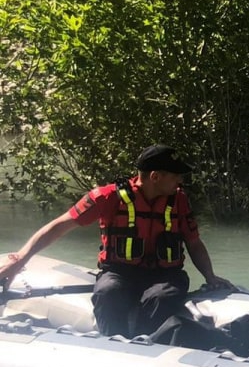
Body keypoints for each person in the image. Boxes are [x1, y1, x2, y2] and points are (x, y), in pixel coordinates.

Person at [0, 144, 233, 336]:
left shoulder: (179, 201)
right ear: (155, 176)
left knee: (161, 297)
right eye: (175, 176)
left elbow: (193, 242)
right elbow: (59, 226)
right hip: (120, 272)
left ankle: (147, 345)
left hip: (166, 276)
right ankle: (112, 342)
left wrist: (210, 277)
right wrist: (20, 259)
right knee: (107, 293)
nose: (180, 181)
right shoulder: (107, 197)